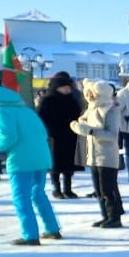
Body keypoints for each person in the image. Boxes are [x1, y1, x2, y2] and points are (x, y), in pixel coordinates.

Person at [0, 82, 62, 245]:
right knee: (38, 194)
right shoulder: (24, 108)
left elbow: (9, 136)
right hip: (41, 156)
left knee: (21, 198)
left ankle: (30, 235)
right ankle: (52, 229)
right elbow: (43, 132)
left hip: (21, 160)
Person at [73, 81, 124, 228]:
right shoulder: (91, 108)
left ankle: (114, 217)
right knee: (99, 190)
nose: (89, 95)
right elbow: (82, 121)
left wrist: (90, 131)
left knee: (108, 188)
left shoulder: (111, 111)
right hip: (93, 154)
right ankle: (106, 215)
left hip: (107, 156)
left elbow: (112, 135)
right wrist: (78, 126)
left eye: (93, 93)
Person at [37, 71, 83, 199]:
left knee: (69, 165)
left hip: (70, 137)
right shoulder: (47, 100)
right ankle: (56, 189)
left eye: (69, 87)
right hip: (53, 138)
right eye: (65, 87)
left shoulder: (72, 100)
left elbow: (78, 115)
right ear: (57, 87)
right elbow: (40, 119)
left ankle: (68, 189)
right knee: (55, 164)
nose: (68, 89)